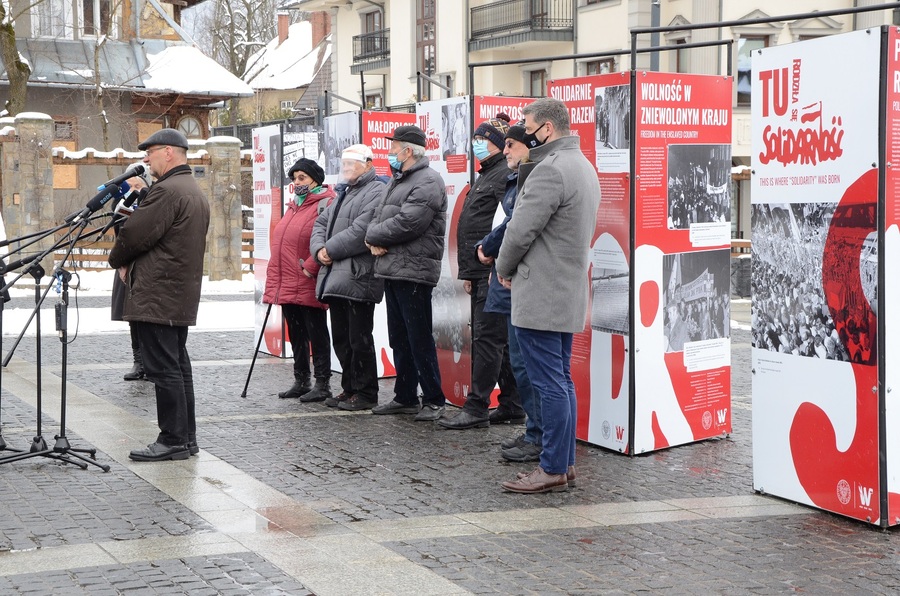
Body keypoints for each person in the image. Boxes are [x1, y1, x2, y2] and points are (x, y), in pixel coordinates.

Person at [495, 98, 601, 493]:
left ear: (548, 129)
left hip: (542, 291)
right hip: (565, 289)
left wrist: (503, 269)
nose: (523, 132)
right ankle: (564, 462)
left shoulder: (549, 170)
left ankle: (553, 466)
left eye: (528, 126)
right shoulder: (582, 166)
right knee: (561, 381)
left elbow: (520, 230)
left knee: (549, 384)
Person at [108, 128, 210, 462]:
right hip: (174, 292)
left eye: (150, 153)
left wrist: (118, 259)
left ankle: (173, 439)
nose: (146, 160)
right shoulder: (189, 188)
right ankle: (186, 438)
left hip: (159, 294)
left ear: (169, 152)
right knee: (177, 367)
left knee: (165, 370)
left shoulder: (167, 191)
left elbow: (135, 234)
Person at [438, 115, 524, 430]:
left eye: (482, 139)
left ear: (499, 144)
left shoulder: (502, 175)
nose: (476, 145)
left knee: (488, 339)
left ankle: (476, 407)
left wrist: (489, 264)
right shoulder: (488, 174)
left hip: (492, 268)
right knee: (495, 340)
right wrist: (469, 272)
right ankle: (513, 404)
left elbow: (507, 222)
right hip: (480, 270)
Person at [470, 121, 547, 464]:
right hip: (507, 279)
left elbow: (516, 226)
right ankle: (533, 432)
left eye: (511, 146)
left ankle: (539, 438)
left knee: (532, 367)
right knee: (519, 362)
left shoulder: (533, 178)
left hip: (519, 280)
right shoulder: (516, 179)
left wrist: (489, 250)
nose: (506, 152)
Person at [365, 125, 448, 421]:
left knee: (418, 337)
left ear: (408, 151)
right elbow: (379, 217)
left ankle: (435, 399)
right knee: (399, 337)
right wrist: (372, 236)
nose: (390, 153)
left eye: (394, 147)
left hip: (414, 271)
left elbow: (408, 222)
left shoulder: (428, 181)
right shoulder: (398, 180)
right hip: (393, 269)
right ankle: (405, 396)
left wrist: (374, 236)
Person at [310, 144, 386, 411]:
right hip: (336, 276)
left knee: (359, 338)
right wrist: (319, 250)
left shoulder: (375, 191)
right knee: (342, 337)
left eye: (352, 164)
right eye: (344, 164)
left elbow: (361, 230)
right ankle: (350, 387)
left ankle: (366, 392)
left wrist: (328, 250)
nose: (347, 169)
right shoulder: (344, 192)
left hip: (359, 276)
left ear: (367, 164)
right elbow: (320, 224)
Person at [263, 158, 335, 403]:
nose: (297, 183)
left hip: (307, 279)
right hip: (287, 281)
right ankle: (301, 379)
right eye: (294, 179)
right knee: (296, 333)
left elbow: (327, 239)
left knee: (317, 333)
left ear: (315, 179)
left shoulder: (325, 204)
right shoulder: (293, 205)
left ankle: (322, 383)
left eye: (302, 178)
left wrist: (311, 267)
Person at [110, 163, 153, 381]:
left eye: (139, 184)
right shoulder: (120, 205)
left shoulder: (153, 204)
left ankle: (152, 362)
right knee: (132, 318)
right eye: (131, 185)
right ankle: (139, 362)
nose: (135, 189)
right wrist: (121, 264)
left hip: (147, 268)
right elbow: (119, 236)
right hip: (126, 265)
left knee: (148, 317)